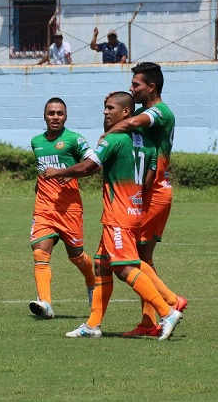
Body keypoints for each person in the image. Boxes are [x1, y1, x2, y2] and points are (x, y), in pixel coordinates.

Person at [42, 91, 184, 340]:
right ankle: (92, 325)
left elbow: (89, 165)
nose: (106, 112)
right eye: (105, 108)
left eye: (110, 108)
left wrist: (58, 172)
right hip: (135, 210)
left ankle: (167, 311)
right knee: (101, 265)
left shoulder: (114, 139)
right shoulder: (147, 143)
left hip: (118, 213)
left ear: (126, 113)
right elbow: (149, 179)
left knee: (124, 268)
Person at [102, 62, 187, 337]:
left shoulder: (159, 113)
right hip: (145, 193)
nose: (131, 88)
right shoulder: (144, 110)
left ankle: (172, 303)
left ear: (151, 86)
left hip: (156, 192)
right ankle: (150, 323)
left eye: (136, 84)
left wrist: (109, 133)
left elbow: (133, 122)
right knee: (139, 257)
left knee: (132, 260)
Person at [28, 98, 97, 319]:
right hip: (44, 209)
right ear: (44, 115)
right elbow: (42, 172)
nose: (55, 117)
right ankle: (45, 303)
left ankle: (92, 283)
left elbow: (93, 165)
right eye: (51, 113)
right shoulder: (36, 141)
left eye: (59, 113)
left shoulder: (74, 140)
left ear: (66, 116)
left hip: (70, 209)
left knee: (76, 256)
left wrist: (68, 173)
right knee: (40, 252)